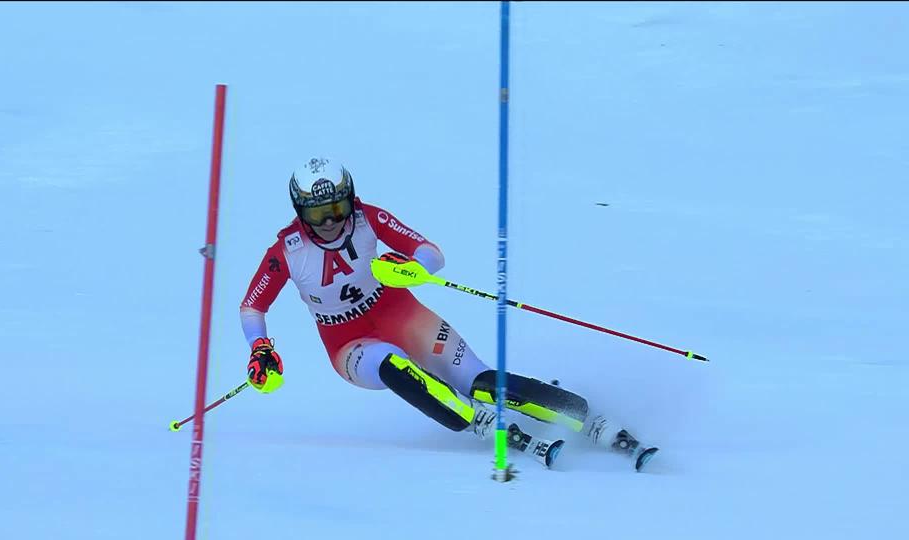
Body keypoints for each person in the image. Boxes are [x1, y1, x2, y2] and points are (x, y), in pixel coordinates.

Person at [240, 157, 657, 470]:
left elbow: (431, 253)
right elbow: (252, 306)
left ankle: (587, 418)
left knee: (478, 380)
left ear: (351, 198)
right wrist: (259, 347)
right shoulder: (287, 252)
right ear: (300, 212)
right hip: (348, 344)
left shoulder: (369, 219)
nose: (331, 222)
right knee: (391, 364)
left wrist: (411, 270)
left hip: (398, 311)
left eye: (337, 209)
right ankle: (478, 423)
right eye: (318, 215)